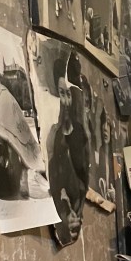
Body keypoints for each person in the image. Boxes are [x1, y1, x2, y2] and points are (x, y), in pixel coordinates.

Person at [46, 54, 89, 246]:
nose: (65, 101)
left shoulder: (78, 132)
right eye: (61, 94)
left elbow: (82, 173)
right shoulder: (52, 133)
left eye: (68, 94)